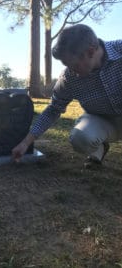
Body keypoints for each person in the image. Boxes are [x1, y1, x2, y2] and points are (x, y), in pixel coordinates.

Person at [12, 24, 122, 169]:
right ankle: (99, 147)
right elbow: (53, 109)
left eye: (74, 65)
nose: (72, 72)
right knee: (81, 138)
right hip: (101, 120)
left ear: (90, 52)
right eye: (67, 66)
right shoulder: (69, 78)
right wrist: (26, 142)